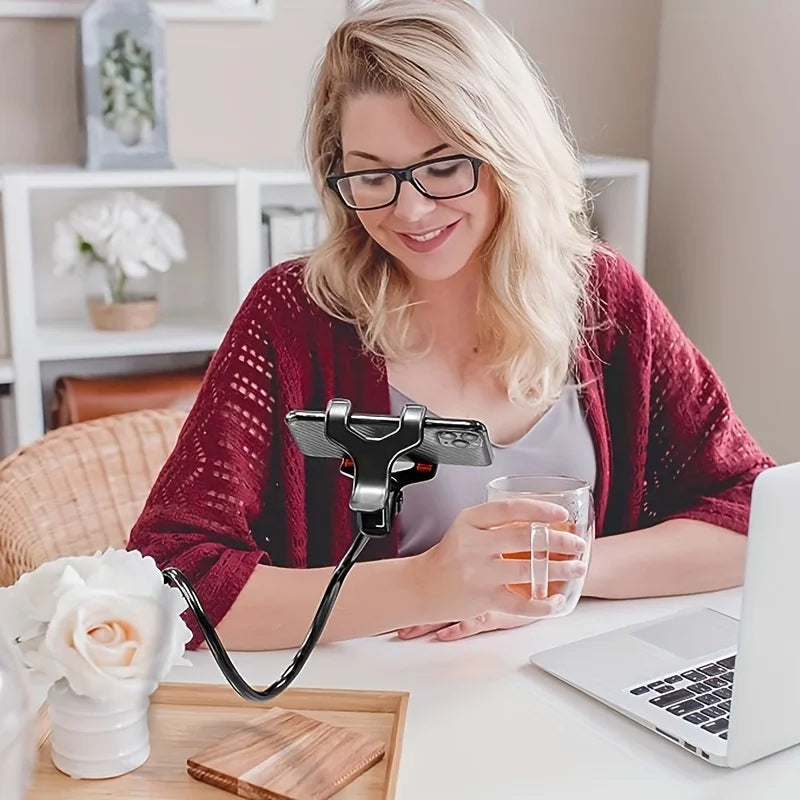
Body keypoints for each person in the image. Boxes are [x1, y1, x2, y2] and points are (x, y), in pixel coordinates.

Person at [127, 0, 773, 651]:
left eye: (443, 166)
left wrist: (545, 577)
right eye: (373, 174)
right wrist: (425, 584)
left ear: (509, 153)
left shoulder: (605, 300)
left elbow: (752, 516)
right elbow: (167, 582)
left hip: (567, 697)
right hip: (372, 713)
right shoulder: (294, 316)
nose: (410, 210)